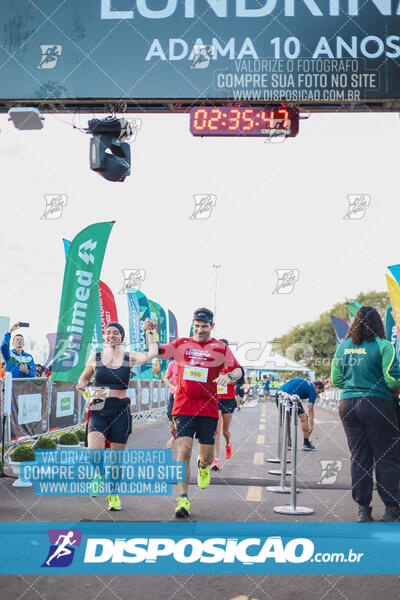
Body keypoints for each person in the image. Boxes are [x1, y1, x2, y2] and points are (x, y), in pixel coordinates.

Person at [147, 308, 242, 518]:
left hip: (208, 407)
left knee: (206, 456)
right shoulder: (181, 344)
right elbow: (156, 351)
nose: (199, 330)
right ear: (193, 324)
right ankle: (183, 498)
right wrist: (149, 333)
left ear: (212, 326)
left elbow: (238, 370)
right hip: (184, 405)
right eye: (196, 326)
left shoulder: (220, 347)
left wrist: (230, 377)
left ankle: (203, 466)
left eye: (204, 326)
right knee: (184, 449)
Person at [77, 321, 158, 512]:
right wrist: (81, 383)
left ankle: (112, 494)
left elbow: (152, 353)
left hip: (120, 408)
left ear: (122, 337)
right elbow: (84, 378)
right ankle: (99, 474)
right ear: (104, 337)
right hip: (99, 406)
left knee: (116, 459)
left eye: (116, 333)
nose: (111, 335)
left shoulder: (129, 358)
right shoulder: (95, 357)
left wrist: (149, 331)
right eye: (108, 332)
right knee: (94, 453)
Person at [331, 305, 400, 522]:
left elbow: (336, 381)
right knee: (386, 456)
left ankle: (363, 510)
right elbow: (392, 380)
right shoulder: (384, 346)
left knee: (359, 457)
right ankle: (391, 510)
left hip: (348, 405)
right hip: (377, 404)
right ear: (378, 323)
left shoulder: (343, 348)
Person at [211, 339, 244, 471]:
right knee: (217, 430)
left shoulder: (231, 362)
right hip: (216, 399)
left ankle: (228, 443)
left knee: (225, 431)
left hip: (228, 399)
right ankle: (216, 461)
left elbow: (238, 378)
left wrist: (228, 380)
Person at [278, 377, 324, 450]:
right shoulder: (312, 388)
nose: (318, 394)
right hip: (290, 396)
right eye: (319, 392)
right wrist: (312, 426)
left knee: (287, 419)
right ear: (317, 387)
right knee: (304, 417)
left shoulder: (306, 383)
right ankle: (306, 443)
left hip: (279, 394)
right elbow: (310, 408)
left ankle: (288, 443)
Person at [163, 359, 178, 448]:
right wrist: (173, 387)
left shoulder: (189, 364)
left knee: (181, 421)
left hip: (184, 397)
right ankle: (175, 437)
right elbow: (166, 378)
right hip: (173, 395)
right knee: (172, 428)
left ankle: (178, 440)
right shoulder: (173, 364)